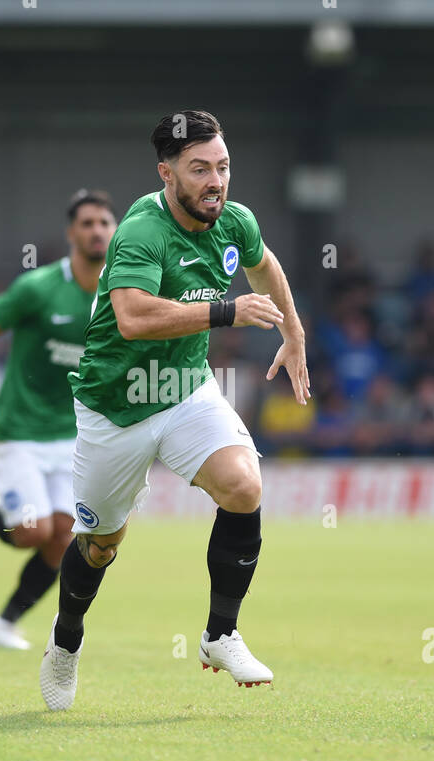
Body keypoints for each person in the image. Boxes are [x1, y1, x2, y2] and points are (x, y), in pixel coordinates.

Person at [38, 110, 310, 710]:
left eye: (223, 167)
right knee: (102, 544)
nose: (216, 181)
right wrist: (228, 313)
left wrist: (293, 331)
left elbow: (266, 267)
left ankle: (220, 634)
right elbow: (133, 318)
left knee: (243, 485)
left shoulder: (235, 221)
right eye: (199, 170)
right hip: (116, 407)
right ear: (167, 174)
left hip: (186, 389)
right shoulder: (141, 230)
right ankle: (65, 644)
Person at [0, 190, 117, 649]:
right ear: (72, 233)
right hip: (20, 430)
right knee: (31, 532)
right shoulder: (38, 287)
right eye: (87, 223)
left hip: (74, 436)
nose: (96, 231)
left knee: (65, 540)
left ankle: (4, 624)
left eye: (104, 223)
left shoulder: (120, 294)